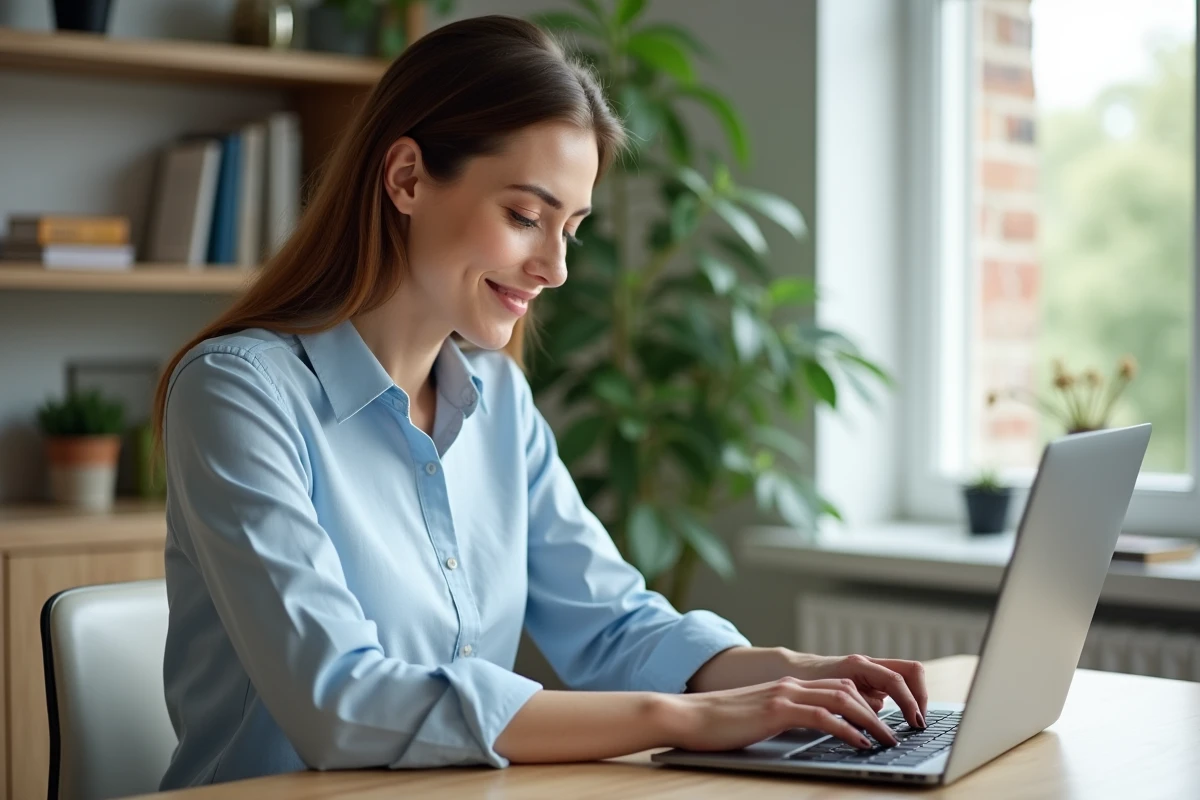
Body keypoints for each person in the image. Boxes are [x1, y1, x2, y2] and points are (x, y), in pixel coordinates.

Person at [151, 15, 927, 790]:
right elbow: (342, 703)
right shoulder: (238, 392)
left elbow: (613, 626)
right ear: (407, 179)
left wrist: (790, 674)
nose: (554, 267)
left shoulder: (498, 399)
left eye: (571, 228)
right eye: (525, 217)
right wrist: (681, 719)